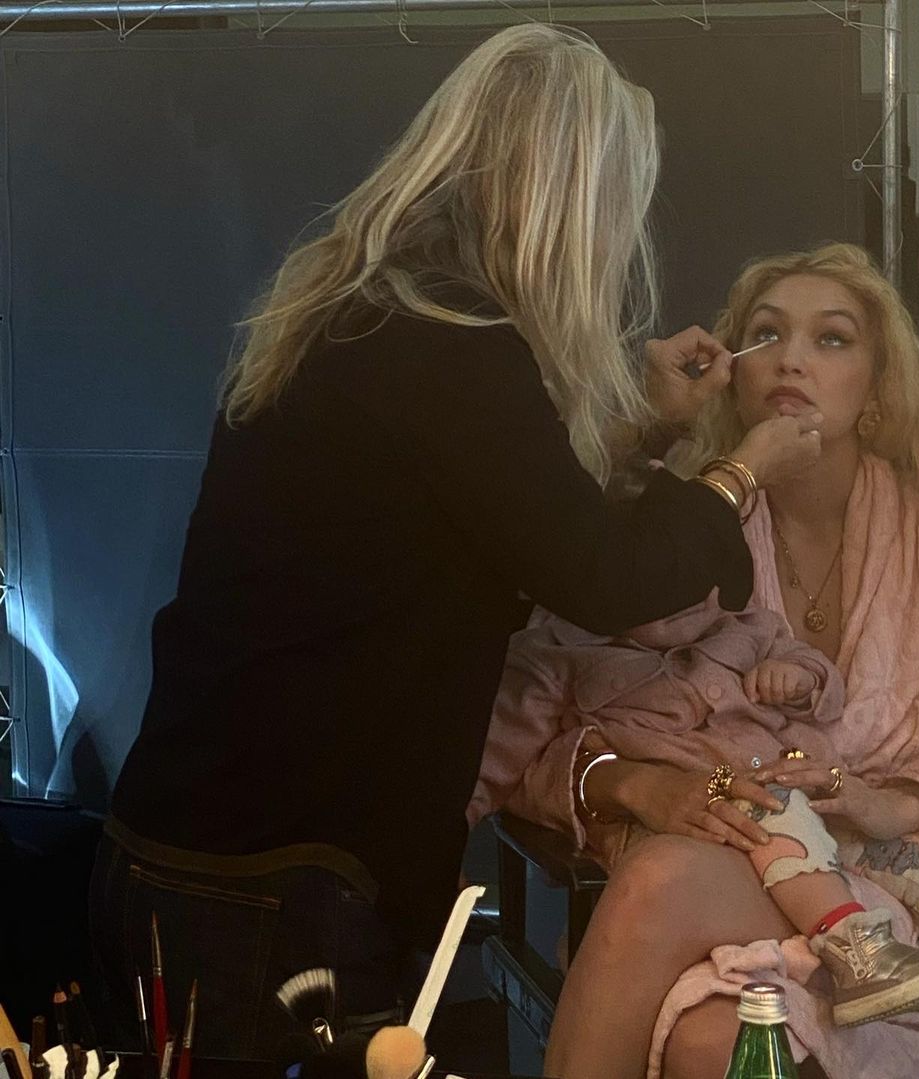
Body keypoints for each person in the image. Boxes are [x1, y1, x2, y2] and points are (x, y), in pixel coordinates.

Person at [87, 24, 822, 1059]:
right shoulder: (450, 344)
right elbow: (601, 574)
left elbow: (490, 511)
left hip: (205, 843)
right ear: (565, 195)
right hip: (278, 877)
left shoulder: (368, 311)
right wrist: (743, 469)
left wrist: (646, 426)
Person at [473, 243, 919, 1079]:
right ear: (732, 375)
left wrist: (896, 802)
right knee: (681, 936)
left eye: (831, 338)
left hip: (893, 903)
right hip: (705, 881)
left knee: (702, 1010)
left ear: (878, 386)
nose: (792, 358)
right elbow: (528, 726)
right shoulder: (673, 531)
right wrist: (629, 781)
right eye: (766, 334)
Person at [469, 590, 919, 1030]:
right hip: (698, 836)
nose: (678, 598)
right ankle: (857, 955)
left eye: (695, 579)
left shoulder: (748, 627)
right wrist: (449, 836)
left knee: (918, 855)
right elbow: (497, 764)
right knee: (770, 804)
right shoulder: (558, 651)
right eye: (653, 583)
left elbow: (820, 679)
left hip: (804, 815)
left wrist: (799, 679)